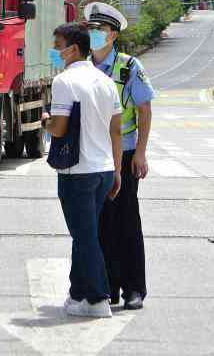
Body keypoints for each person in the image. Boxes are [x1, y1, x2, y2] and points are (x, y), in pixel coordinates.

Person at [45, 22, 122, 319]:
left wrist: (45, 120)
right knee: (85, 234)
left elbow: (59, 127)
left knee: (85, 237)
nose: (55, 52)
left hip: (77, 172)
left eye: (58, 46)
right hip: (103, 169)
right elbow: (116, 130)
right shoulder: (105, 81)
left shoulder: (64, 81)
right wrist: (117, 170)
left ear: (73, 48)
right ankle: (78, 294)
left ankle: (99, 298)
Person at [86, 2, 156, 311]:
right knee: (99, 224)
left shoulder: (129, 67)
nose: (94, 34)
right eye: (91, 28)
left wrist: (140, 152)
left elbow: (144, 109)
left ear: (113, 35)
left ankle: (134, 289)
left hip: (124, 154)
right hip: (92, 155)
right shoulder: (82, 66)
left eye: (100, 29)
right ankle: (107, 287)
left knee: (126, 221)